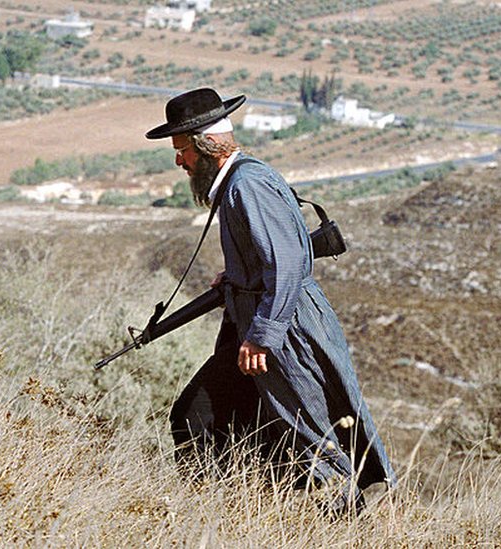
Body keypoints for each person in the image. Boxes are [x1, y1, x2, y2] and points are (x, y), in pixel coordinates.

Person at [146, 88, 395, 512]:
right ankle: (219, 519)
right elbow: (272, 256)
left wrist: (263, 335)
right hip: (265, 322)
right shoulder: (240, 183)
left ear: (205, 147)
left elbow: (287, 264)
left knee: (310, 438)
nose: (179, 161)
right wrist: (237, 275)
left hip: (284, 332)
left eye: (182, 150)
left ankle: (348, 529)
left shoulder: (248, 187)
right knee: (202, 417)